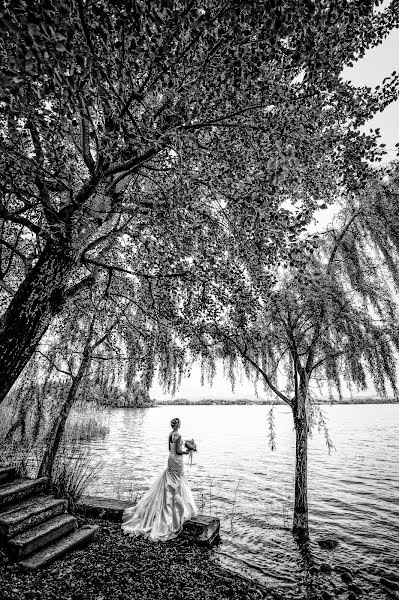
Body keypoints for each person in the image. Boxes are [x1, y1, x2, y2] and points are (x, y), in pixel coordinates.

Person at [121, 417, 197, 541]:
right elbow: (178, 451)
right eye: (179, 423)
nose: (180, 424)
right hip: (177, 460)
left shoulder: (170, 434)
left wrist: (184, 449)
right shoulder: (178, 435)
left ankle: (171, 505)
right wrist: (187, 452)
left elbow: (170, 449)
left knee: (171, 481)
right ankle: (176, 509)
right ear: (177, 425)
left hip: (171, 459)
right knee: (177, 482)